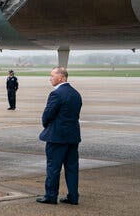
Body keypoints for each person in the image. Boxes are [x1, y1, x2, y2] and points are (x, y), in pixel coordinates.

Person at [36, 67, 82, 205]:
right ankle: (73, 197)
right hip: (73, 136)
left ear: (61, 78)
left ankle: (51, 196)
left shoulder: (56, 94)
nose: (50, 78)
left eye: (52, 76)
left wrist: (47, 126)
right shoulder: (76, 94)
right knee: (72, 168)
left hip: (57, 137)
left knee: (53, 168)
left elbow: (47, 115)